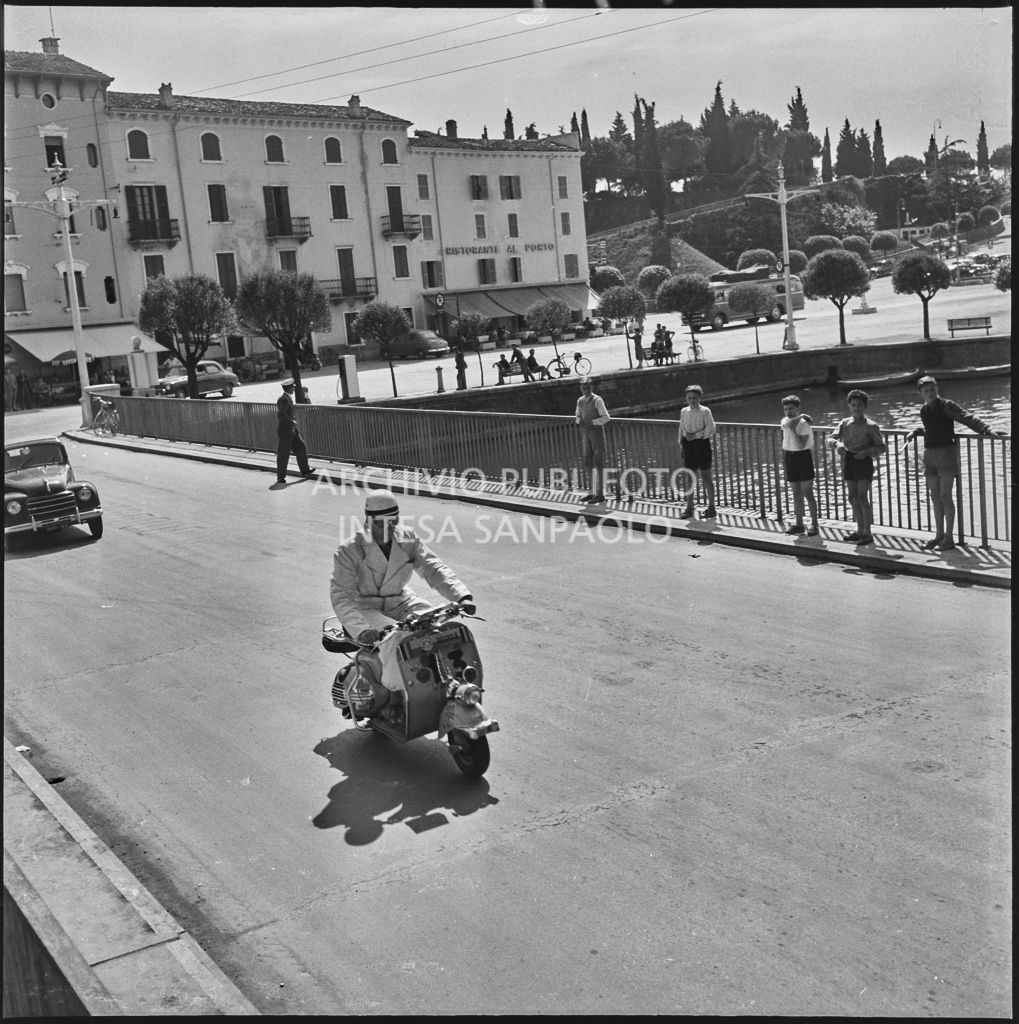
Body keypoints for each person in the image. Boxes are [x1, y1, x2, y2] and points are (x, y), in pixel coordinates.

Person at [330, 490, 475, 706]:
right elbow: (342, 595)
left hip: (400, 599)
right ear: (369, 520)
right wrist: (362, 630)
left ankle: (445, 682)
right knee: (395, 639)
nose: (388, 529)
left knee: (436, 627)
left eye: (393, 522)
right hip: (365, 606)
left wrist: (461, 595)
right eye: (381, 524)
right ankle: (394, 695)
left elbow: (433, 568)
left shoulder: (407, 539)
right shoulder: (350, 549)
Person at [902, 375, 1004, 551]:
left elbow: (966, 417)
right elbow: (931, 428)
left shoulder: (946, 405)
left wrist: (986, 429)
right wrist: (916, 431)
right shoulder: (923, 410)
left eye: (933, 389)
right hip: (930, 455)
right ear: (920, 393)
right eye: (926, 391)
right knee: (935, 497)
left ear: (937, 389)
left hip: (946, 454)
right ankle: (938, 536)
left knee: (945, 496)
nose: (930, 393)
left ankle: (949, 538)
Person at [827, 389, 886, 545]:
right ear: (849, 406)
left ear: (865, 406)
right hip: (848, 461)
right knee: (852, 498)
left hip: (863, 461)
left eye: (859, 405)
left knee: (862, 497)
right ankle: (859, 531)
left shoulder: (871, 426)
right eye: (853, 405)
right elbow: (831, 438)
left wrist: (867, 452)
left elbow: (881, 447)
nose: (856, 408)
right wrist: (837, 444)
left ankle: (868, 533)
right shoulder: (844, 423)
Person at [779, 395, 819, 536]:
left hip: (803, 457)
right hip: (790, 456)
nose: (788, 411)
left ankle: (814, 524)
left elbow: (802, 444)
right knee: (796, 492)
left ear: (798, 408)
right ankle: (799, 524)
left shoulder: (803, 424)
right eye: (785, 409)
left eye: (791, 408)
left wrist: (795, 428)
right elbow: (785, 424)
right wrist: (796, 419)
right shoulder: (786, 420)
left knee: (808, 492)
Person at [678, 384, 717, 518]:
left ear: (699, 398)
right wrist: (681, 444)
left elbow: (711, 429)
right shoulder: (684, 411)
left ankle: (711, 507)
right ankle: (689, 507)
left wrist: (695, 435)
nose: (692, 400)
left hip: (701, 444)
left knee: (706, 476)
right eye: (689, 398)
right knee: (690, 476)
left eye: (694, 398)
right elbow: (681, 428)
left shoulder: (705, 411)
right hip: (688, 445)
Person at [575, 377, 611, 503]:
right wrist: (579, 421)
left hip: (597, 434)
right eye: (584, 387)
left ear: (592, 387)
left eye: (588, 387)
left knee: (599, 463)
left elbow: (606, 417)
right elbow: (577, 416)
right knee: (588, 463)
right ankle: (592, 491)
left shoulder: (597, 400)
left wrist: (593, 422)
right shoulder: (580, 401)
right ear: (580, 388)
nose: (586, 390)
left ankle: (600, 494)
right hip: (586, 434)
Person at [275, 379, 314, 485]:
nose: (293, 389)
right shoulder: (284, 399)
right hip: (286, 431)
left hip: (291, 431)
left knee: (301, 447)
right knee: (284, 454)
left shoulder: (287, 398)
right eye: (292, 387)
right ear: (288, 388)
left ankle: (305, 470)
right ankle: (280, 477)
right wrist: (292, 422)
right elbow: (281, 414)